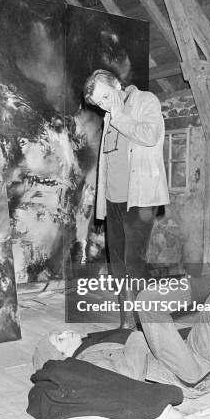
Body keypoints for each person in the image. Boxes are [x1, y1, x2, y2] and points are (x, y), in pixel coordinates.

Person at [34, 243, 210, 411]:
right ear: (61, 355)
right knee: (146, 300)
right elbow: (131, 375)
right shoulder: (86, 361)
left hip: (198, 362)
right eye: (60, 339)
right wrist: (136, 337)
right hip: (181, 375)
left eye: (60, 332)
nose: (66, 332)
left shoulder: (94, 341)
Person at [83, 69, 169, 329]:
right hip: (113, 201)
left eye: (106, 97)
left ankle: (148, 326)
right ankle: (127, 323)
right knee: (117, 264)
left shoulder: (145, 101)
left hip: (140, 198)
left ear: (118, 85)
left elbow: (150, 135)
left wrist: (119, 116)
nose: (104, 105)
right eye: (99, 103)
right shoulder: (110, 115)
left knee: (134, 262)